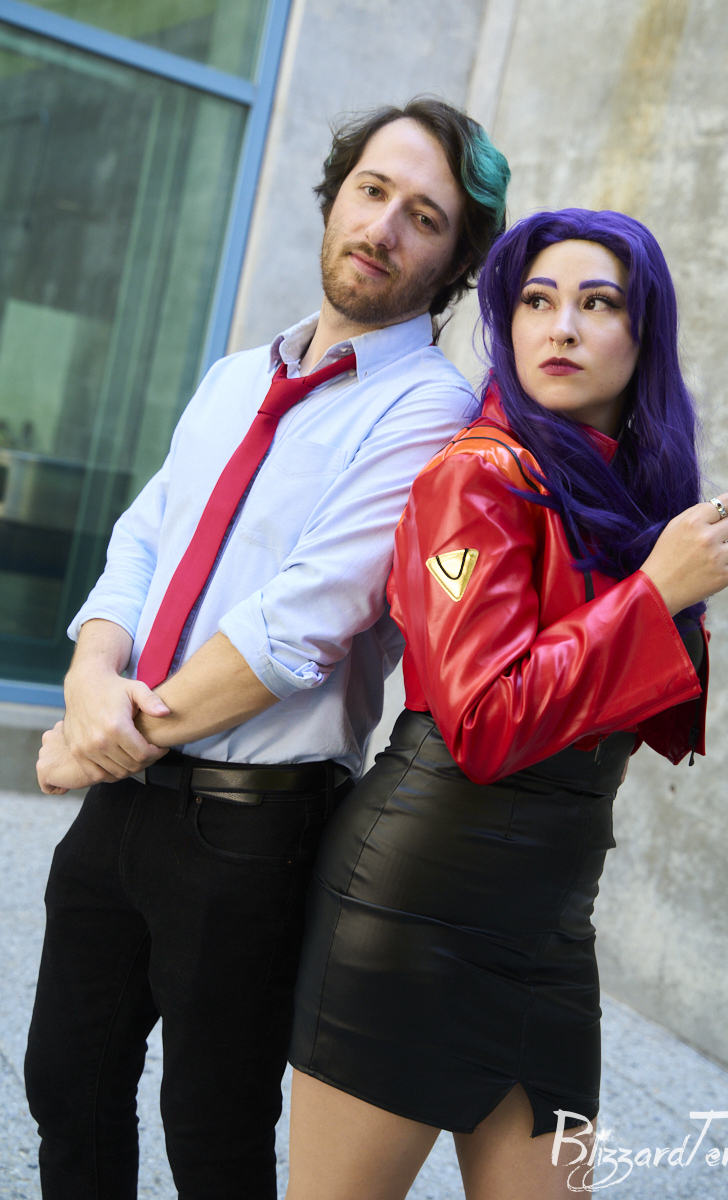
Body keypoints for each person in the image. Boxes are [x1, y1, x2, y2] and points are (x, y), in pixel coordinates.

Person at [25, 99, 510, 1199]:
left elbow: (303, 621)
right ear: (335, 197)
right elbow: (142, 539)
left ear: (454, 261)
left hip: (251, 832)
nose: (383, 227)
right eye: (372, 192)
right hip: (126, 795)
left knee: (212, 1131)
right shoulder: (236, 376)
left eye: (424, 216)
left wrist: (101, 739)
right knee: (67, 1082)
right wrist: (91, 679)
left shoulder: (431, 413)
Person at [285, 208, 728, 1200]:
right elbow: (484, 721)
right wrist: (654, 594)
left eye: (598, 304)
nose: (561, 328)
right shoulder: (474, 479)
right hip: (417, 906)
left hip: (551, 919)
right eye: (537, 302)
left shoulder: (620, 492)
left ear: (643, 334)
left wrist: (658, 583)